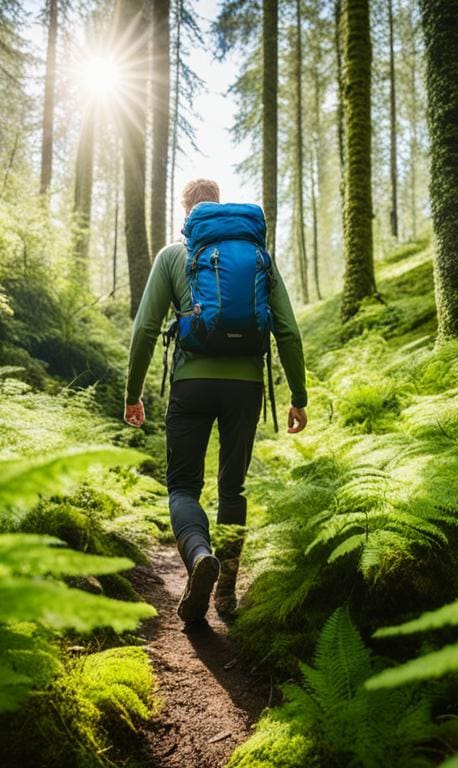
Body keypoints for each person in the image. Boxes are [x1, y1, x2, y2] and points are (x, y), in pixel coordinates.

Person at [124, 178, 308, 622]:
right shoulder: (259, 258)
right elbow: (287, 329)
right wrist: (298, 397)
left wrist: (132, 394)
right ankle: (225, 590)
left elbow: (146, 328)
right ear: (218, 207)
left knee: (183, 487)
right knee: (233, 487)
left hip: (192, 384)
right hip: (245, 387)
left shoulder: (174, 256)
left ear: (187, 214)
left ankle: (199, 554)